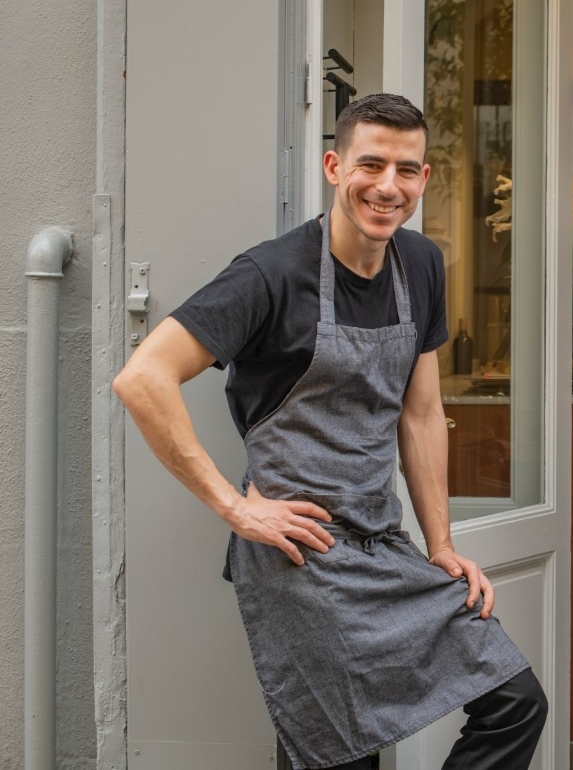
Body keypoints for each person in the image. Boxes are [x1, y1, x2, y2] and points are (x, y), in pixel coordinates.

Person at [113, 94, 547, 770]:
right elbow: (142, 379)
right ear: (333, 165)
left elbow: (422, 413)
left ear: (424, 179)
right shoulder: (273, 273)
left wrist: (441, 543)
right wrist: (236, 506)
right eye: (370, 164)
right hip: (301, 554)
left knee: (516, 700)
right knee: (341, 752)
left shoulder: (422, 265)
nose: (387, 185)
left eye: (407, 169)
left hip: (381, 540)